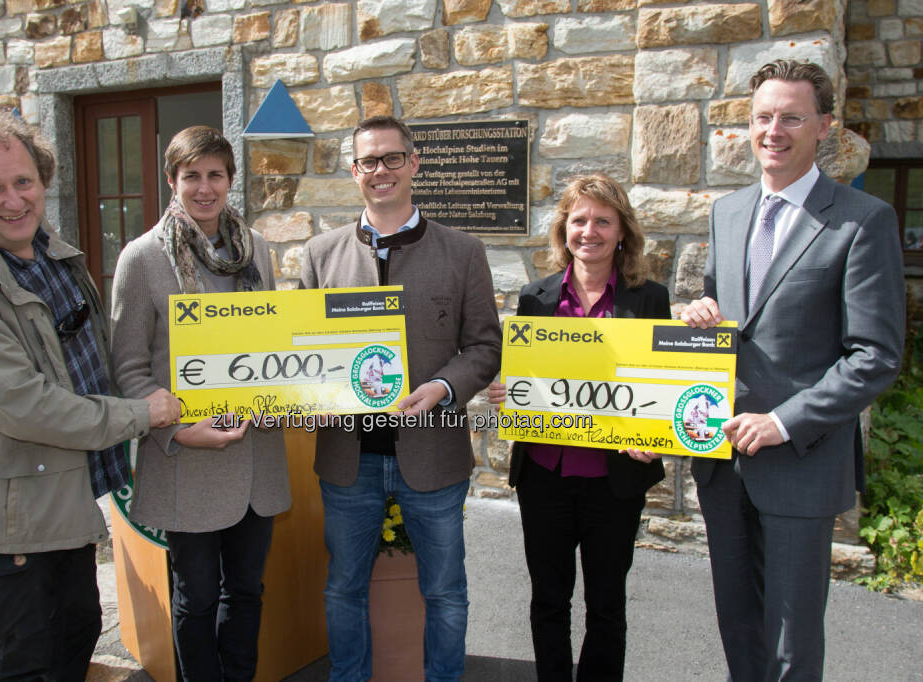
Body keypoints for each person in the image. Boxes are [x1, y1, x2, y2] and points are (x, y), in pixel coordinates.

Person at [0, 111, 181, 680]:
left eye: (24, 181)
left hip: (62, 499)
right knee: (26, 663)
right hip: (10, 520)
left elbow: (91, 355)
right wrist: (142, 413)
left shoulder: (49, 254)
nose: (14, 200)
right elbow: (24, 405)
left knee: (74, 638)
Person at [680, 60, 905, 681]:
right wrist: (701, 313)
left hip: (801, 461)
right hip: (722, 459)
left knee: (790, 644)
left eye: (791, 118)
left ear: (823, 126)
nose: (772, 131)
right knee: (739, 630)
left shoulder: (863, 219)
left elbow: (875, 355)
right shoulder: (728, 212)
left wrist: (782, 422)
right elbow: (733, 319)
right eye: (762, 117)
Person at [300, 115, 502, 681]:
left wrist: (443, 387)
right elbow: (302, 350)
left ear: (414, 163)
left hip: (432, 454)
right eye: (369, 161)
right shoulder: (320, 254)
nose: (380, 170)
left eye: (392, 158)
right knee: (343, 588)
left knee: (445, 592)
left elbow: (485, 346)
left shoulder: (463, 252)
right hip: (348, 459)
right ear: (354, 171)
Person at [110, 125, 291, 681]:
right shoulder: (142, 258)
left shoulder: (256, 249)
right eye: (192, 176)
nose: (205, 188)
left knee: (247, 591)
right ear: (172, 180)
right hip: (187, 462)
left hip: (256, 459)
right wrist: (176, 430)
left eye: (215, 175)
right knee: (196, 599)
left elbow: (271, 344)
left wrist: (290, 392)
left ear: (231, 180)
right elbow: (128, 368)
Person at [488, 174, 667, 681]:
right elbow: (530, 379)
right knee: (548, 599)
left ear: (622, 231)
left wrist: (655, 435)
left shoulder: (649, 298)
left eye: (603, 221)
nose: (590, 231)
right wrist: (512, 392)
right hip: (545, 474)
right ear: (564, 229)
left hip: (615, 481)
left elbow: (663, 381)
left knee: (606, 604)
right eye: (579, 220)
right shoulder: (536, 297)